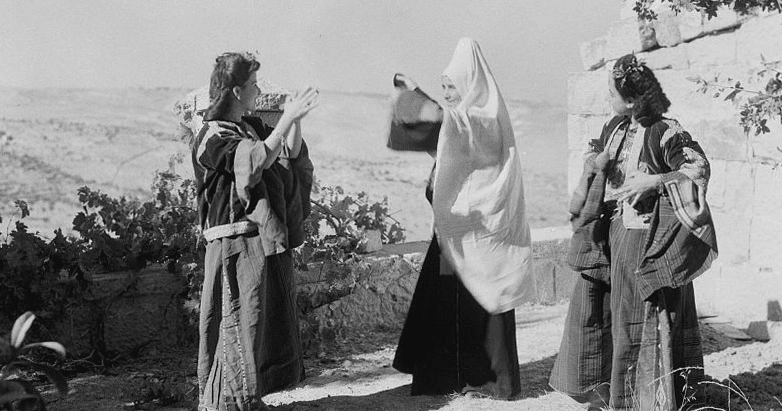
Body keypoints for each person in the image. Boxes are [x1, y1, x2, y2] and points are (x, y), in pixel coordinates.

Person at [549, 54, 718, 410]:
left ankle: (646, 400)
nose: (608, 99)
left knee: (640, 320)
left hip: (645, 242)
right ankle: (608, 395)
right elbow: (596, 150)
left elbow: (697, 168)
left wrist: (655, 181)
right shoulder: (616, 126)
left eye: (611, 93)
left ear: (631, 100)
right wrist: (596, 163)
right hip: (610, 233)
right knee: (603, 311)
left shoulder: (665, 131)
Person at [391, 38, 532, 399]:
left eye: (452, 86)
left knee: (484, 307)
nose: (448, 94)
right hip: (456, 232)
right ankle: (444, 377)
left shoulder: (483, 117)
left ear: (470, 84)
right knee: (446, 302)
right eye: (444, 87)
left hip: (483, 233)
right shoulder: (466, 120)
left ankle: (486, 381)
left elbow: (453, 127)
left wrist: (418, 99)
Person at [192, 52, 319, 411]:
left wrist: (295, 121)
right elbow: (256, 160)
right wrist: (287, 119)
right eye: (252, 85)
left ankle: (248, 400)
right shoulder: (211, 137)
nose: (258, 90)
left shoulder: (247, 127)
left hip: (258, 242)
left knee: (258, 326)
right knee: (236, 325)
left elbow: (287, 153)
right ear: (235, 90)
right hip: (233, 244)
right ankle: (225, 404)